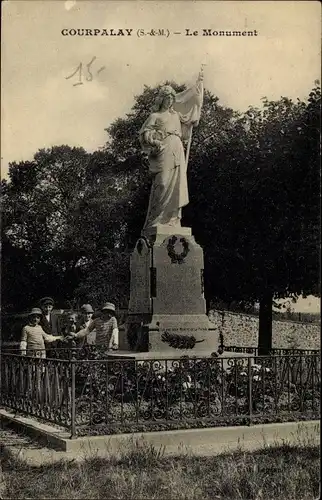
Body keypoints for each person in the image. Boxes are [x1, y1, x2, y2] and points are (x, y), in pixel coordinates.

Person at [139, 70, 204, 233]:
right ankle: (157, 219)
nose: (169, 102)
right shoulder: (155, 116)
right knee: (162, 182)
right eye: (167, 99)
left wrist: (198, 89)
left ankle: (172, 220)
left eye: (171, 99)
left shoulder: (176, 115)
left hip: (177, 148)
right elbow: (144, 133)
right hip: (163, 150)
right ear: (161, 99)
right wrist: (154, 140)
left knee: (177, 185)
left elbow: (188, 120)